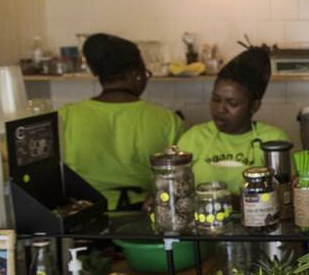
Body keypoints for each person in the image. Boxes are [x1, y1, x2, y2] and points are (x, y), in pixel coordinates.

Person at [59, 33, 184, 210]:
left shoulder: (66, 116)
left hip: (84, 218)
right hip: (145, 216)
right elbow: (179, 178)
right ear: (136, 74)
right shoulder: (168, 120)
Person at [177, 45, 289, 195]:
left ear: (254, 106)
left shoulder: (273, 142)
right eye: (215, 99)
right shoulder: (193, 138)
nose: (220, 109)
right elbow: (175, 189)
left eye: (232, 103)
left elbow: (283, 196)